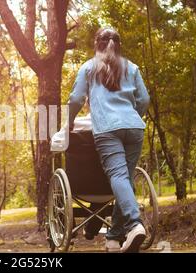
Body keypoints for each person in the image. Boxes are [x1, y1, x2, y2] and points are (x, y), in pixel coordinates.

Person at [67, 27, 150, 253]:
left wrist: (69, 122)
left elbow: (76, 99)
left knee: (118, 176)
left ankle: (134, 224)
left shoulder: (88, 68)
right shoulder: (132, 68)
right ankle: (114, 238)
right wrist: (131, 117)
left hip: (107, 129)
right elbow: (144, 99)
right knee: (125, 180)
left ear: (97, 44)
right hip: (134, 128)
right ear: (118, 45)